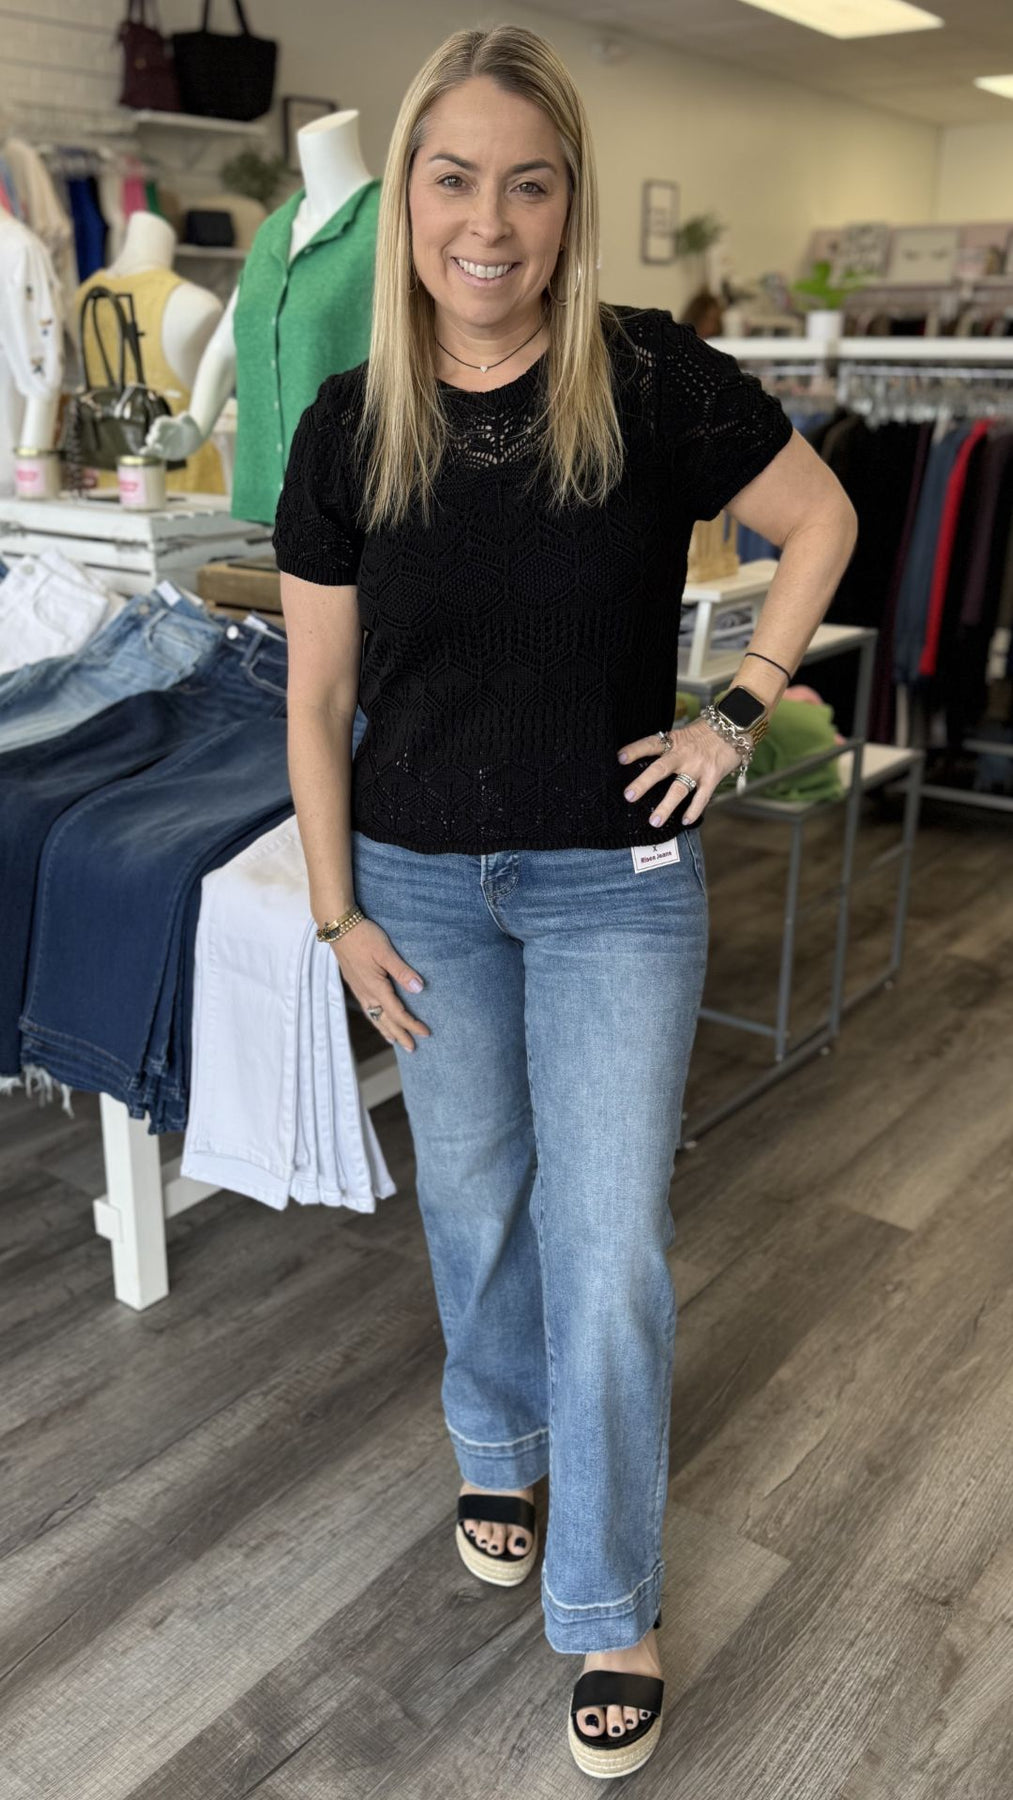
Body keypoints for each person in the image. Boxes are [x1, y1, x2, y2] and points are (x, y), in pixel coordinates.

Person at [272, 23, 857, 1779]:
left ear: (567, 203)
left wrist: (735, 712)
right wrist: (336, 917)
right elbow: (317, 696)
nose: (489, 222)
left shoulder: (646, 376)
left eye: (528, 185)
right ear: (408, 198)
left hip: (615, 888)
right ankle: (495, 1441)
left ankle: (608, 1599)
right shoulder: (349, 421)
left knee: (608, 1248)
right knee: (472, 1201)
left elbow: (821, 522)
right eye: (454, 179)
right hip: (414, 884)